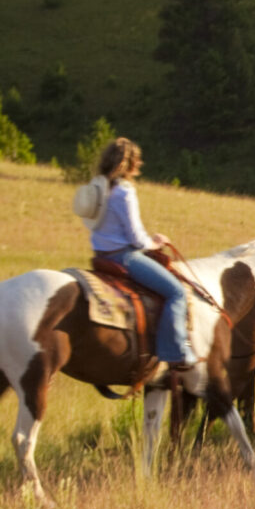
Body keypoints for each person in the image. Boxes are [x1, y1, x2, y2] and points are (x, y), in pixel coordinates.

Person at [81, 136, 206, 391]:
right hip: (124, 256)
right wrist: (156, 241)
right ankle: (175, 351)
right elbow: (136, 237)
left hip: (101, 256)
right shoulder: (125, 191)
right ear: (130, 164)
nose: (140, 165)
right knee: (176, 292)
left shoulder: (99, 187)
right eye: (137, 161)